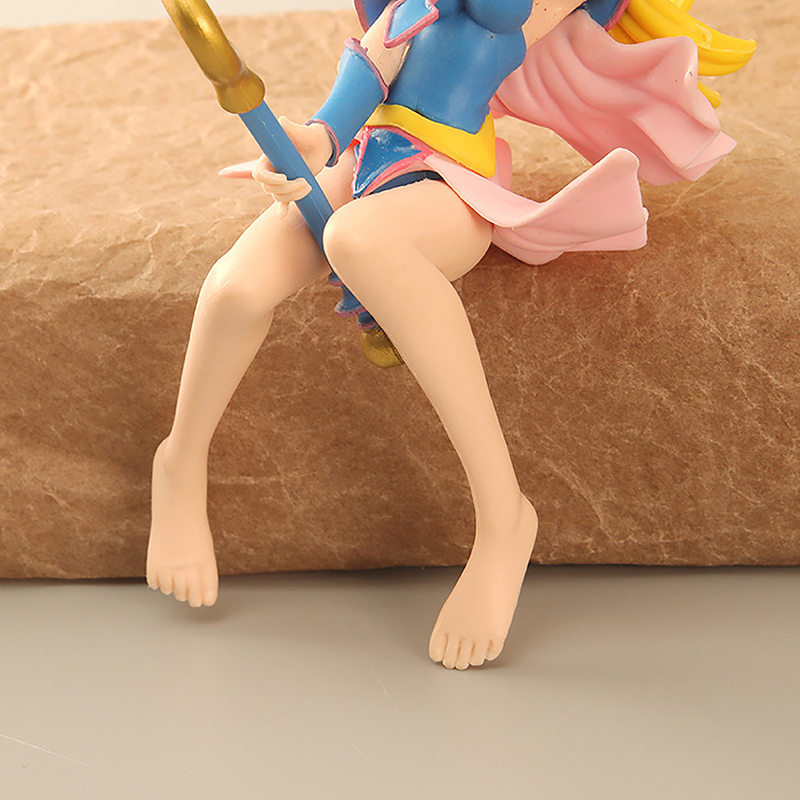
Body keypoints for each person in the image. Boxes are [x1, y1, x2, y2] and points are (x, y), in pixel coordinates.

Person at [147, 0, 754, 669]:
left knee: (358, 240)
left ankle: (504, 516)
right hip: (363, 161)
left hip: (452, 183)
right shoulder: (410, 12)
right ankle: (179, 462)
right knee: (236, 286)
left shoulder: (517, 16)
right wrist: (304, 144)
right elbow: (355, 92)